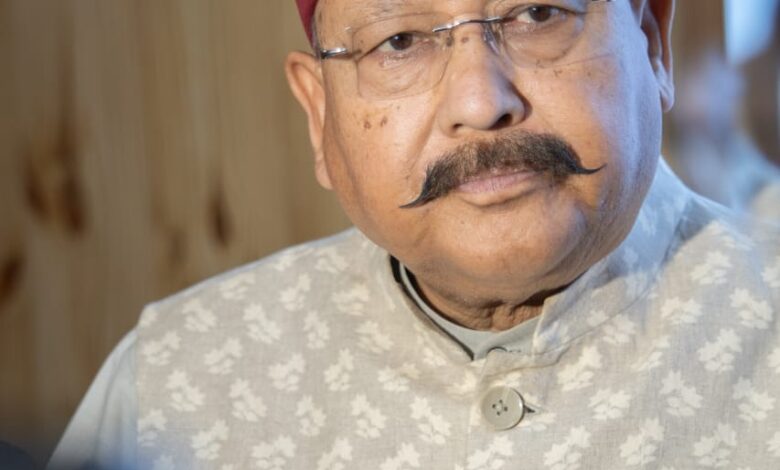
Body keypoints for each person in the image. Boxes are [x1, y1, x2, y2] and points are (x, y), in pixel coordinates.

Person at [48, 0, 780, 468]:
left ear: (653, 45)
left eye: (536, 14)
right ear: (318, 114)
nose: (480, 102)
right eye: (398, 41)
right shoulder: (171, 384)